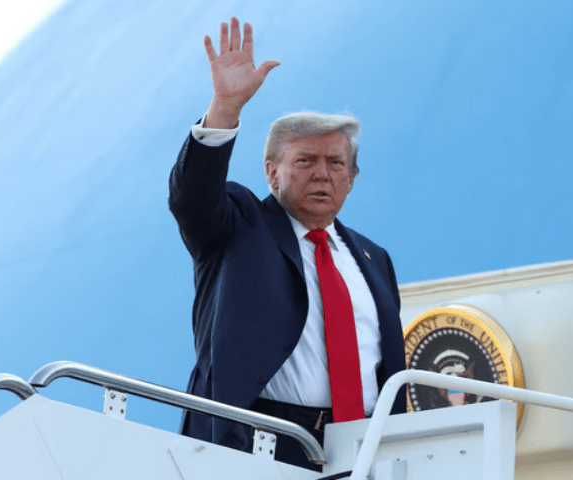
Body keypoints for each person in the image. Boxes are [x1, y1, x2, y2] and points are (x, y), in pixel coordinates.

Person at [168, 17, 406, 470]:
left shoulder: (375, 259)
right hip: (263, 439)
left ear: (352, 180)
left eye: (336, 162)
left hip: (363, 448)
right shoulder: (239, 226)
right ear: (272, 171)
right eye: (306, 160)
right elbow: (192, 198)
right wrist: (224, 108)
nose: (323, 173)